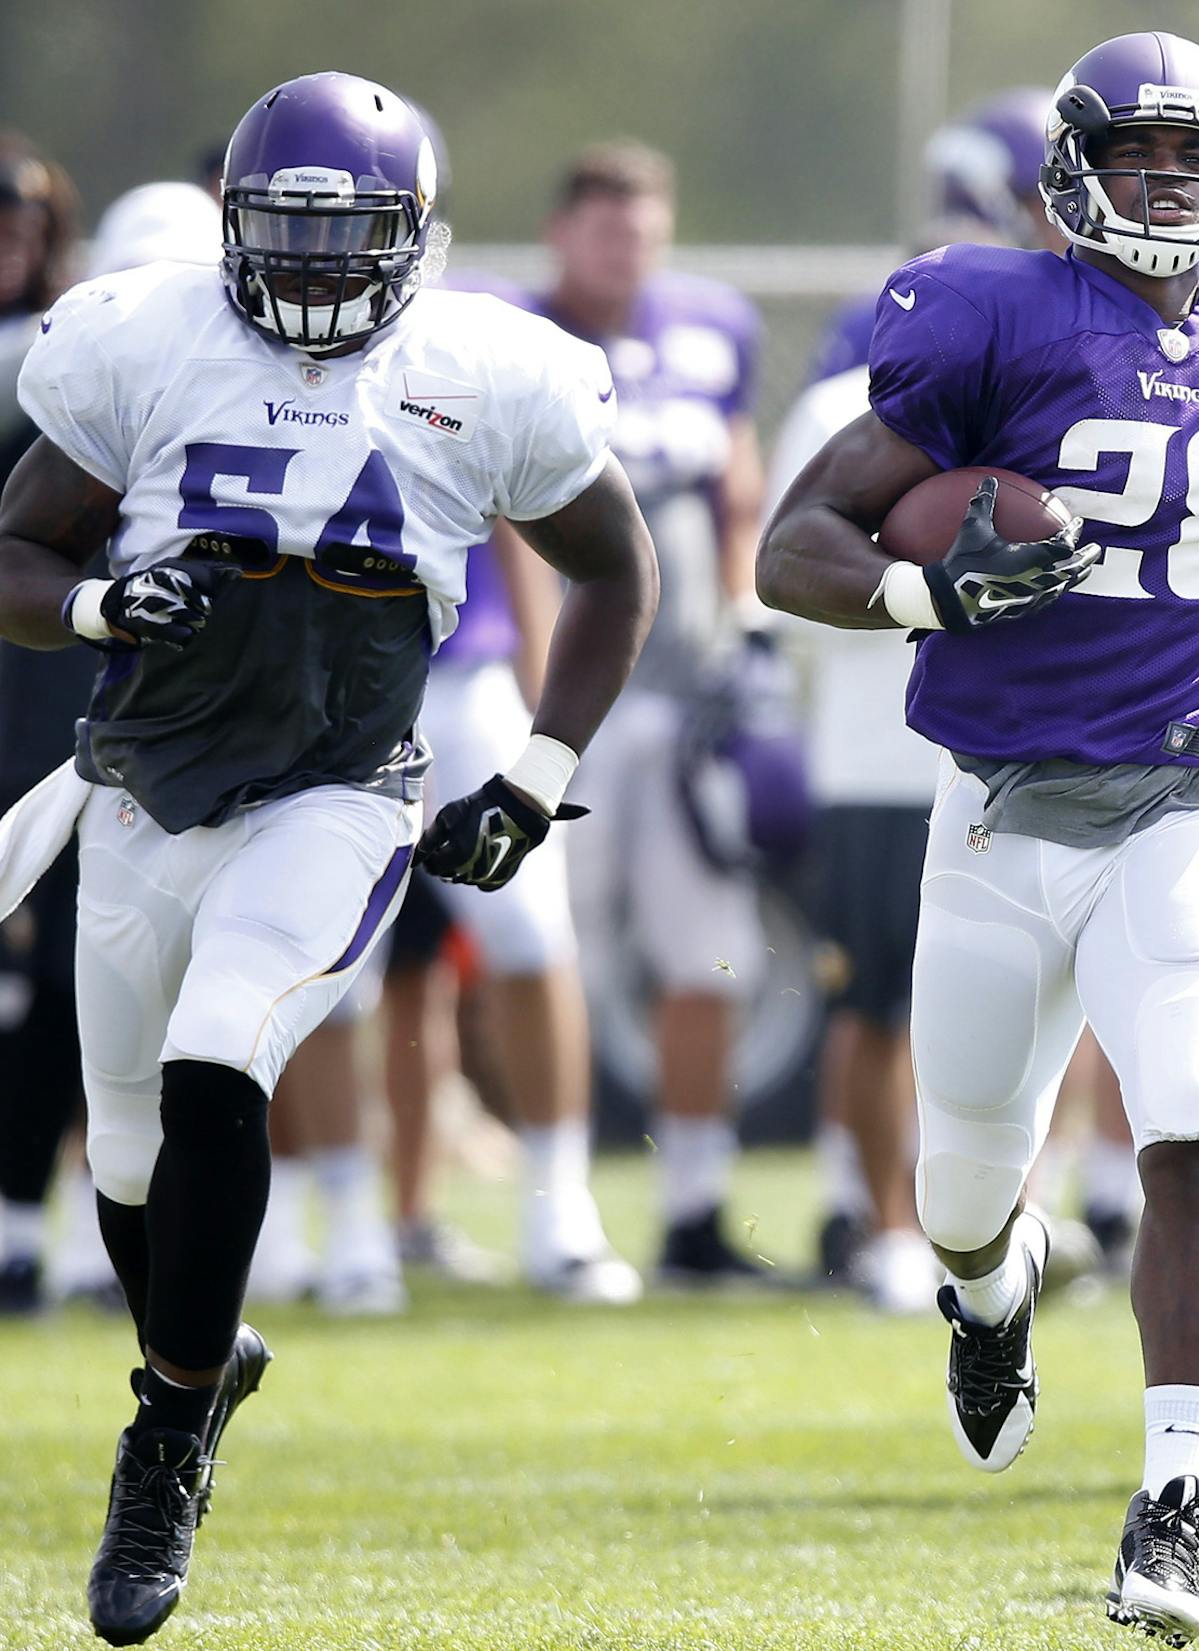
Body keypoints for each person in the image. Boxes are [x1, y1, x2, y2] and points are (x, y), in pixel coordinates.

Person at [0, 72, 656, 1642]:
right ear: (232, 227)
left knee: (227, 1050)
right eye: (283, 231)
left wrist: (539, 770)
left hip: (339, 792)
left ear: (412, 238)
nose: (307, 265)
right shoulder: (142, 336)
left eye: (342, 232)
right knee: (128, 1164)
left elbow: (617, 575)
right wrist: (96, 607)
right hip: (147, 788)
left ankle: (162, 1442)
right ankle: (202, 1358)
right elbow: (17, 546)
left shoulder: (484, 368)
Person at [758, 31, 1199, 1641]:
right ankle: (990, 1292)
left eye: (1193, 160)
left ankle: (1176, 1499)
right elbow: (789, 542)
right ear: (1070, 171)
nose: (1165, 186)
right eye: (1136, 157)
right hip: (1001, 807)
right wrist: (925, 589)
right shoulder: (989, 311)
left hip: (1191, 791)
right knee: (961, 1187)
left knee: (1189, 1132)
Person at [785, 89, 1053, 1308]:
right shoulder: (855, 404)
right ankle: (881, 1216)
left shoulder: (1047, 399)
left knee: (1005, 1002)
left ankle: (987, 1215)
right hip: (884, 745)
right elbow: (789, 567)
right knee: (886, 1000)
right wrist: (927, 593)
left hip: (1008, 747)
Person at [507, 142, 772, 1286]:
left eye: (646, 229)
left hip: (685, 705)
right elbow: (503, 523)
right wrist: (536, 703)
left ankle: (694, 1207)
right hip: (571, 711)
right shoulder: (513, 342)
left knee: (710, 958)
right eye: (608, 227)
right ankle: (548, 1211)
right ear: (562, 231)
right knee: (548, 952)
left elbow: (737, 488)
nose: (629, 249)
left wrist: (749, 624)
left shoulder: (712, 331)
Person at [0, 133, 91, 1314]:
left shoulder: (74, 353)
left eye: (25, 214)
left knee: (73, 970)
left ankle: (25, 1221)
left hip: (43, 691)